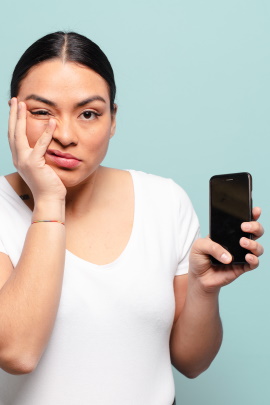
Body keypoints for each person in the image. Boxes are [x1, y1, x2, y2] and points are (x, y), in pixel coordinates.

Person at [0, 31, 264, 405]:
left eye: (88, 113)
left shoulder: (164, 201)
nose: (65, 135)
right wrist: (47, 201)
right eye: (42, 112)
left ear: (113, 120)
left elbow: (192, 363)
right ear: (13, 114)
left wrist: (205, 291)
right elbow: (17, 353)